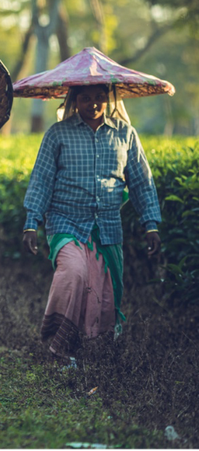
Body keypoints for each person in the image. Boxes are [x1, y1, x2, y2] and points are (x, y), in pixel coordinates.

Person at [22, 84, 162, 358]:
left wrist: (151, 224)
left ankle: (91, 353)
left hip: (107, 229)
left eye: (100, 97)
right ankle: (59, 345)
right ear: (74, 99)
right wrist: (31, 222)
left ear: (109, 98)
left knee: (107, 295)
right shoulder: (58, 133)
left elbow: (142, 183)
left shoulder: (125, 134)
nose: (93, 103)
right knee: (73, 273)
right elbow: (41, 181)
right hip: (65, 222)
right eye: (85, 97)